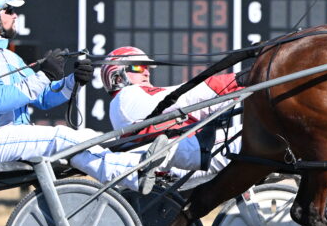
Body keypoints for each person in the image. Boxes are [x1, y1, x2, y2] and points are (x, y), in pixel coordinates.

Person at [0, 0, 166, 193]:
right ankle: (132, 176)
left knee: (86, 137)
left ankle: (144, 171)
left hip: (9, 136)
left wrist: (73, 81)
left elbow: (43, 97)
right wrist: (45, 74)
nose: (16, 15)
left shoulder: (8, 56)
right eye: (9, 10)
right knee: (64, 137)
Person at [99, 46, 242, 183]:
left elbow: (201, 107)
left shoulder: (133, 103)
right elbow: (188, 96)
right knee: (256, 133)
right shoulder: (126, 97)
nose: (147, 73)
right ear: (118, 78)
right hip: (185, 159)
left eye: (147, 68)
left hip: (185, 160)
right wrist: (241, 79)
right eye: (138, 67)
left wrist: (239, 87)